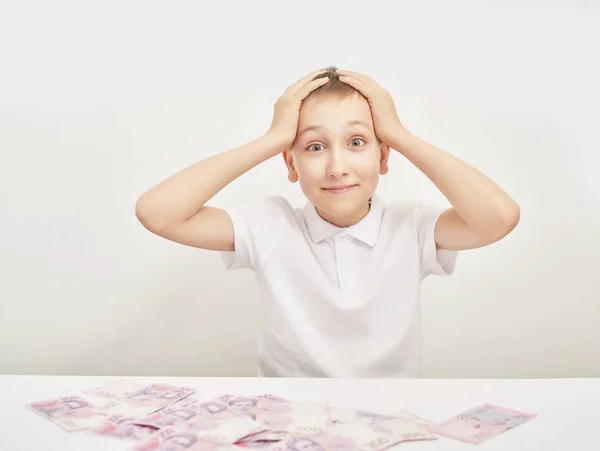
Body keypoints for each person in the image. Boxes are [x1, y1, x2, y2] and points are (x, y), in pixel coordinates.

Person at [135, 66, 520, 378]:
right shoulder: (270, 225)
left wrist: (398, 134)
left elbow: (498, 218)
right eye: (314, 147)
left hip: (390, 420)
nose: (337, 168)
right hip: (289, 419)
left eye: (356, 142)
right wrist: (272, 139)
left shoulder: (412, 225)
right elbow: (157, 212)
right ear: (291, 163)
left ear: (383, 157)